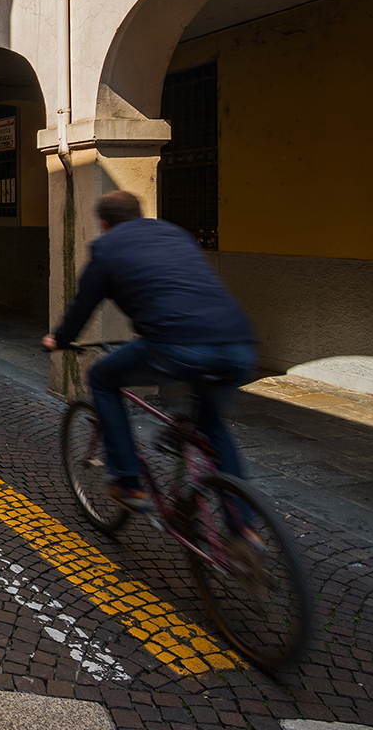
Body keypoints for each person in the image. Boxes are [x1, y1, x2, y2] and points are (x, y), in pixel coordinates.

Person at [43, 190, 258, 531]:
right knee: (211, 425)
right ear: (140, 214)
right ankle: (244, 532)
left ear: (103, 224)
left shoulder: (106, 248)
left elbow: (82, 306)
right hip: (239, 343)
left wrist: (59, 339)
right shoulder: (175, 233)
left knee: (101, 378)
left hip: (177, 344)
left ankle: (128, 481)